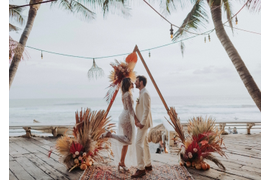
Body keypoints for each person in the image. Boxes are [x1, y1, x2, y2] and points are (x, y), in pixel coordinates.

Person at [103, 77, 138, 171]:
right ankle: (111, 135)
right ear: (127, 84)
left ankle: (122, 162)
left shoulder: (124, 94)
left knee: (126, 143)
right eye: (131, 82)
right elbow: (131, 109)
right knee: (129, 140)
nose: (133, 84)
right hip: (127, 118)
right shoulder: (128, 95)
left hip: (123, 116)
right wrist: (136, 120)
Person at [131, 75, 153, 178]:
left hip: (143, 123)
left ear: (141, 82)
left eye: (137, 81)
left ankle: (141, 168)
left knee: (138, 143)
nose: (135, 82)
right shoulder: (142, 93)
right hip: (142, 122)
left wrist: (142, 123)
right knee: (144, 143)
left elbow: (146, 109)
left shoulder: (145, 93)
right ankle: (148, 164)